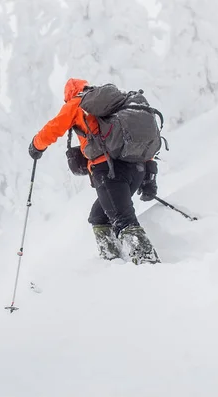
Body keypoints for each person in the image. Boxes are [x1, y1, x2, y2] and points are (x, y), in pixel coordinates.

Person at [28, 78, 160, 264]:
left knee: (124, 222)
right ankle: (112, 263)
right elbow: (137, 141)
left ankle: (150, 266)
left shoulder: (77, 103)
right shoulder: (117, 102)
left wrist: (36, 145)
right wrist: (149, 176)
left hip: (108, 172)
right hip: (136, 169)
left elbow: (54, 128)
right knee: (98, 216)